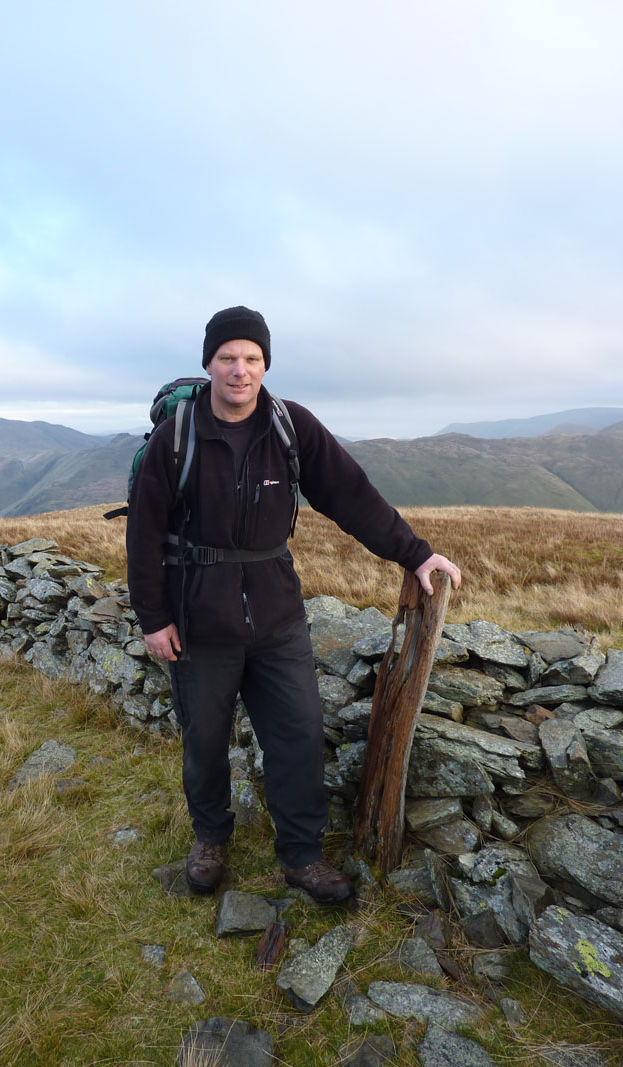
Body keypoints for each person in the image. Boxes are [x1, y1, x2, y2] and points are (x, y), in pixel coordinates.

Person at [126, 306, 461, 903]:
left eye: (251, 358)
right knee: (203, 738)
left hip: (278, 616)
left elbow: (352, 497)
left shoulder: (290, 426)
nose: (239, 370)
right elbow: (143, 533)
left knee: (299, 735)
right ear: (208, 363)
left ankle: (302, 856)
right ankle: (210, 838)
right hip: (199, 618)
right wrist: (155, 620)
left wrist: (415, 554)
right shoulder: (176, 436)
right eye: (227, 357)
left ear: (266, 364)